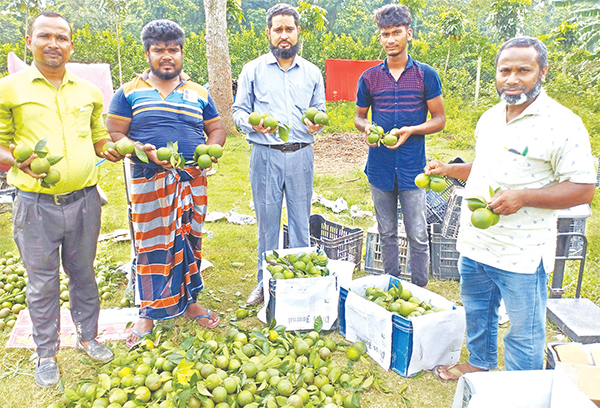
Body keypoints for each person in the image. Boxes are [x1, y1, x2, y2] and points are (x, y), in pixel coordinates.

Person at [428, 37, 596, 380]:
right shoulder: (490, 118)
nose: (512, 78)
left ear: (542, 72)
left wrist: (524, 197)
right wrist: (449, 169)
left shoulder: (563, 123)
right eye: (505, 70)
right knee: (478, 311)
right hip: (476, 243)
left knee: (524, 328)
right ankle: (480, 361)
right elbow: (486, 167)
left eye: (524, 70)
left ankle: (521, 389)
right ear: (496, 74)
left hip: (521, 251)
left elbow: (583, 189)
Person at [0, 12, 117, 387]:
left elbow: (99, 136)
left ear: (70, 44)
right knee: (42, 282)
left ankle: (88, 336)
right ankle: (45, 352)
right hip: (35, 205)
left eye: (62, 37)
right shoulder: (9, 89)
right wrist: (19, 160)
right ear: (30, 40)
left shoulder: (89, 92)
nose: (54, 43)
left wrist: (114, 149)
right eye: (45, 36)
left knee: (83, 273)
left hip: (84, 200)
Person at [106, 20, 226, 346]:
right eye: (159, 50)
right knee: (150, 244)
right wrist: (135, 148)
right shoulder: (129, 91)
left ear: (182, 52)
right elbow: (115, 133)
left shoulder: (198, 91)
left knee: (189, 239)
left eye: (173, 49)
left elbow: (216, 129)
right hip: (148, 180)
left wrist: (213, 149)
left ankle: (189, 302)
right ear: (148, 53)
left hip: (191, 179)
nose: (166, 56)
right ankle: (148, 310)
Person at [232, 3, 326, 305]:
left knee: (301, 221)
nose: (283, 36)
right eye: (278, 30)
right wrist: (252, 123)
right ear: (269, 33)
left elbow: (320, 112)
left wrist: (315, 125)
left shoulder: (312, 73)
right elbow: (238, 112)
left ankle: (302, 282)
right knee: (267, 221)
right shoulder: (252, 70)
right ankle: (265, 282)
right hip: (265, 155)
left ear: (298, 32)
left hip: (301, 155)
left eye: (289, 29)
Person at [354, 4, 446, 287]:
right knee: (387, 232)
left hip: (412, 168)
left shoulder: (425, 75)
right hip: (380, 167)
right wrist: (366, 127)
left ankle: (420, 289)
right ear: (379, 38)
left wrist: (413, 129)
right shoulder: (369, 77)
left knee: (418, 234)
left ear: (409, 34)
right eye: (384, 34)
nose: (390, 39)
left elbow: (439, 119)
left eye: (396, 33)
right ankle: (392, 286)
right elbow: (359, 117)